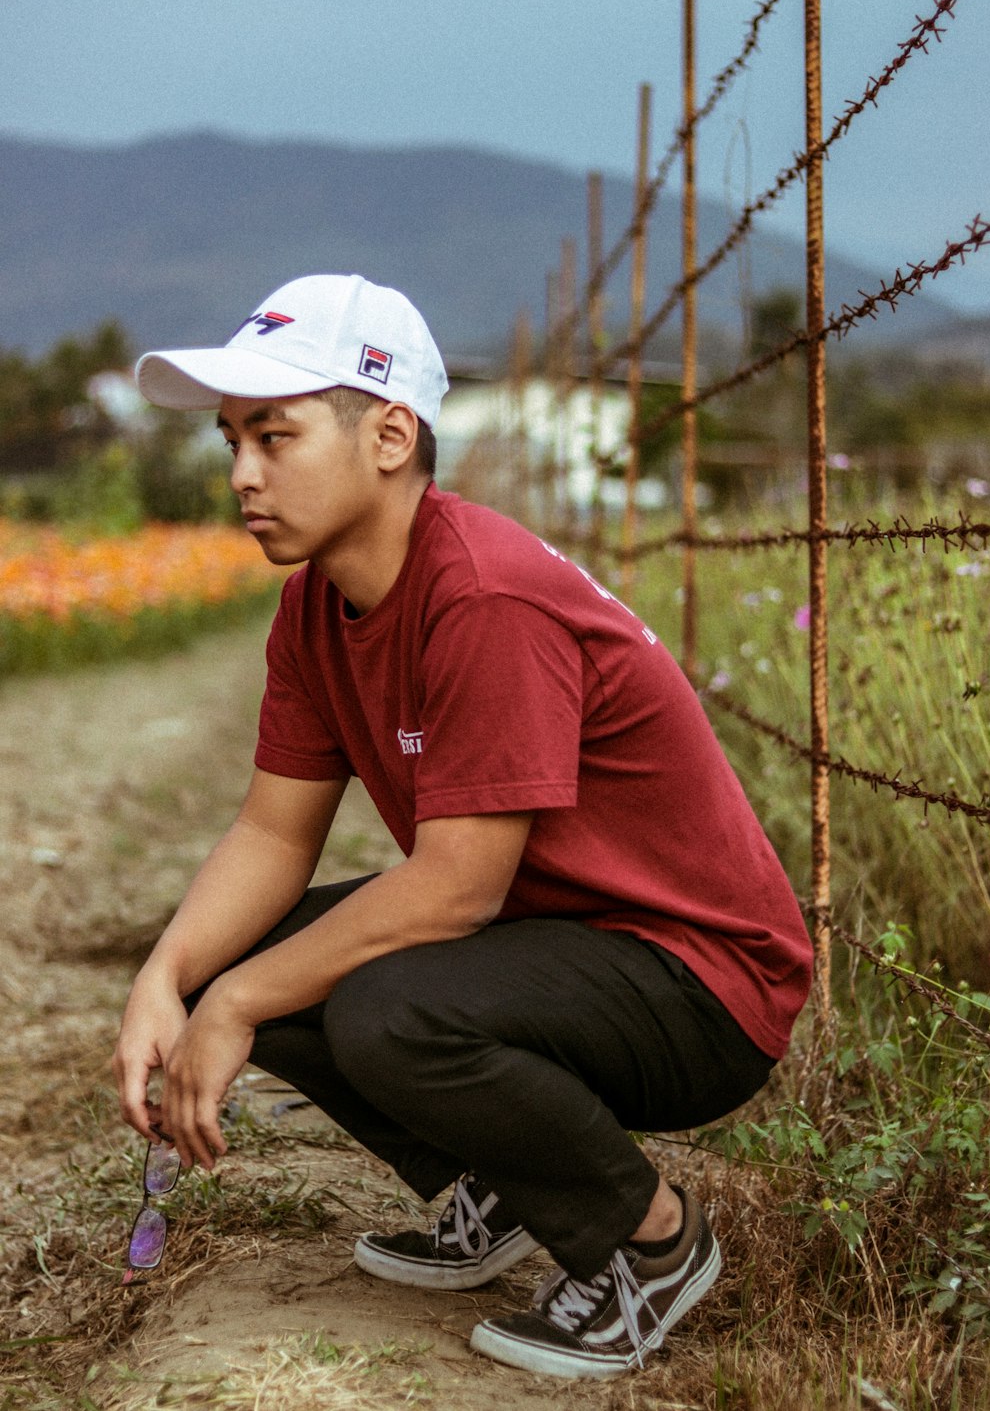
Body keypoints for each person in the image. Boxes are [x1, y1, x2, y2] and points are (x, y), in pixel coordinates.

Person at [113, 272, 813, 1381]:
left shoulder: (482, 596)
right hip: (558, 946)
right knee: (246, 954)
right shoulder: (317, 606)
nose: (243, 474)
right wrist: (172, 979)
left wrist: (236, 1001)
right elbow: (271, 832)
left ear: (390, 435)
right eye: (231, 439)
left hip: (699, 982)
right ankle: (513, 1178)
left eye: (276, 436)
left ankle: (651, 1241)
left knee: (383, 1005)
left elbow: (454, 893)